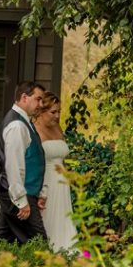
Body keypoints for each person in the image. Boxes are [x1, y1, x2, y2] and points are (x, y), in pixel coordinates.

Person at [0, 81, 48, 247]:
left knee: (4, 240)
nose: (41, 105)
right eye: (38, 99)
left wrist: (40, 192)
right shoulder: (17, 125)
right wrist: (21, 201)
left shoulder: (24, 122)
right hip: (19, 194)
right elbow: (14, 166)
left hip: (21, 192)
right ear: (24, 97)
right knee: (38, 243)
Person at [30, 92, 77, 252]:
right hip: (45, 181)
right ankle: (43, 252)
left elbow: (61, 156)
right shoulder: (33, 130)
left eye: (59, 111)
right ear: (42, 111)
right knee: (46, 219)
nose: (57, 116)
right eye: (53, 112)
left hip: (62, 183)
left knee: (61, 219)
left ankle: (63, 251)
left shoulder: (57, 127)